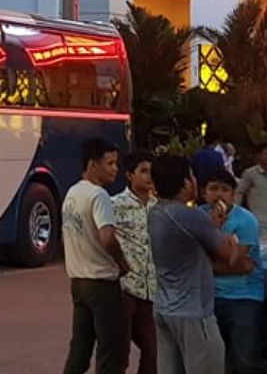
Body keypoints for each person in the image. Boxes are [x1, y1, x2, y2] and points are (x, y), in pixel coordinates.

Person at [146, 154, 244, 374]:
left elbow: (190, 241)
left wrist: (212, 228)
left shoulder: (155, 212)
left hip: (164, 307)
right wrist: (231, 242)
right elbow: (228, 254)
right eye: (191, 175)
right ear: (185, 183)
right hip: (193, 314)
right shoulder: (189, 215)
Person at [64, 138, 130, 374]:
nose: (115, 168)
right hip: (101, 281)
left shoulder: (72, 193)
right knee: (112, 351)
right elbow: (107, 237)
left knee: (80, 348)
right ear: (93, 164)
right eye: (110, 163)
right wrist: (121, 262)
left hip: (78, 281)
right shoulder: (98, 195)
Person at [203, 172, 266, 374]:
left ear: (233, 195)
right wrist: (213, 227)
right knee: (212, 361)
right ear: (204, 192)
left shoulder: (246, 220)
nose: (219, 195)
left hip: (243, 297)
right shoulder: (198, 216)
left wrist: (203, 267)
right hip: (209, 299)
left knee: (243, 361)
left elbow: (240, 264)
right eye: (214, 188)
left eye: (225, 189)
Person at [111, 152, 160, 374]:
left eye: (151, 171)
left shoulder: (158, 207)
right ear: (130, 175)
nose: (148, 176)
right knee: (119, 353)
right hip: (125, 287)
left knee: (153, 349)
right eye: (143, 171)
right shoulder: (114, 205)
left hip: (151, 289)